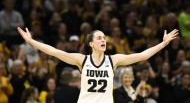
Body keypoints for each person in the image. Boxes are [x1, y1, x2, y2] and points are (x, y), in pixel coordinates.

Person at [17, 27, 178, 103]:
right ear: (91, 43)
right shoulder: (82, 60)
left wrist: (163, 44)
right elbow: (54, 52)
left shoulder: (113, 60)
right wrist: (31, 41)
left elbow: (142, 56)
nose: (103, 40)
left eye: (104, 38)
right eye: (99, 38)